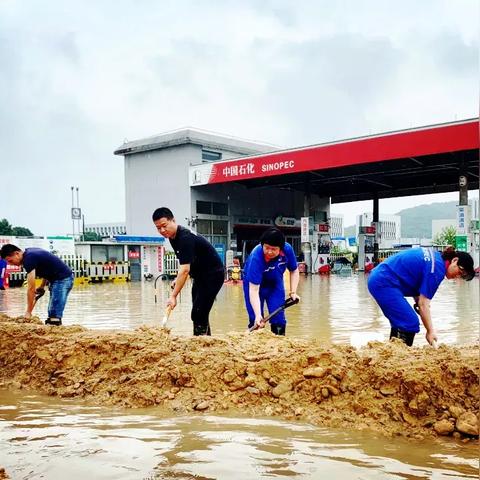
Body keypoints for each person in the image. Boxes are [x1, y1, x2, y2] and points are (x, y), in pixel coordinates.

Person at [367, 247, 475, 346]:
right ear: (454, 260)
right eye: (460, 271)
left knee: (402, 321)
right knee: (409, 322)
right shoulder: (436, 269)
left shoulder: (435, 258)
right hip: (384, 282)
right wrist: (430, 331)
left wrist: (419, 302)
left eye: (462, 275)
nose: (458, 276)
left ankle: (392, 352)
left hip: (381, 277)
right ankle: (399, 356)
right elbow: (423, 305)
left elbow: (416, 286)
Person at [152, 207, 225, 336]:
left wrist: (173, 296)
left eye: (164, 226)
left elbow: (185, 270)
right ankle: (205, 341)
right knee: (198, 311)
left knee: (198, 312)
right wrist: (177, 279)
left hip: (213, 275)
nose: (162, 230)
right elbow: (186, 264)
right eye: (158, 228)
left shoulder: (184, 238)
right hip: (200, 276)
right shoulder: (173, 237)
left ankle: (201, 342)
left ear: (173, 220)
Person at [243, 227, 300, 335]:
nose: (269, 252)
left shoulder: (287, 250)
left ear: (281, 249)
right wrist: (258, 314)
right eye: (267, 248)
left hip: (275, 284)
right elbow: (254, 290)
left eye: (273, 249)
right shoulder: (256, 257)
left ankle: (279, 341)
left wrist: (293, 292)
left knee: (278, 318)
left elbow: (294, 270)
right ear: (262, 245)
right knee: (256, 319)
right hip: (254, 285)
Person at [0, 244, 74, 325]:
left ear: (17, 253)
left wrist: (28, 312)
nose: (11, 264)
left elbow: (31, 288)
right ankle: (53, 323)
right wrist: (42, 286)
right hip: (57, 279)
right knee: (52, 310)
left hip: (63, 279)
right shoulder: (29, 253)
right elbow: (48, 269)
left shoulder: (28, 259)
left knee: (55, 311)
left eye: (10, 261)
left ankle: (55, 324)